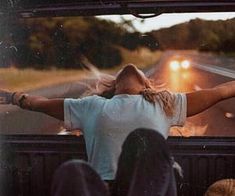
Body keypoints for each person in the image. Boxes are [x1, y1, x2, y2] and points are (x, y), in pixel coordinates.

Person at [1, 64, 235, 196]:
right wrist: (11, 96)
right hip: (103, 189)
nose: (130, 67)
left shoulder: (165, 103)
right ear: (113, 88)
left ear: (147, 85)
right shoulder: (91, 106)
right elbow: (36, 103)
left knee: (147, 140)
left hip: (150, 188)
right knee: (74, 170)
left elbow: (222, 91)